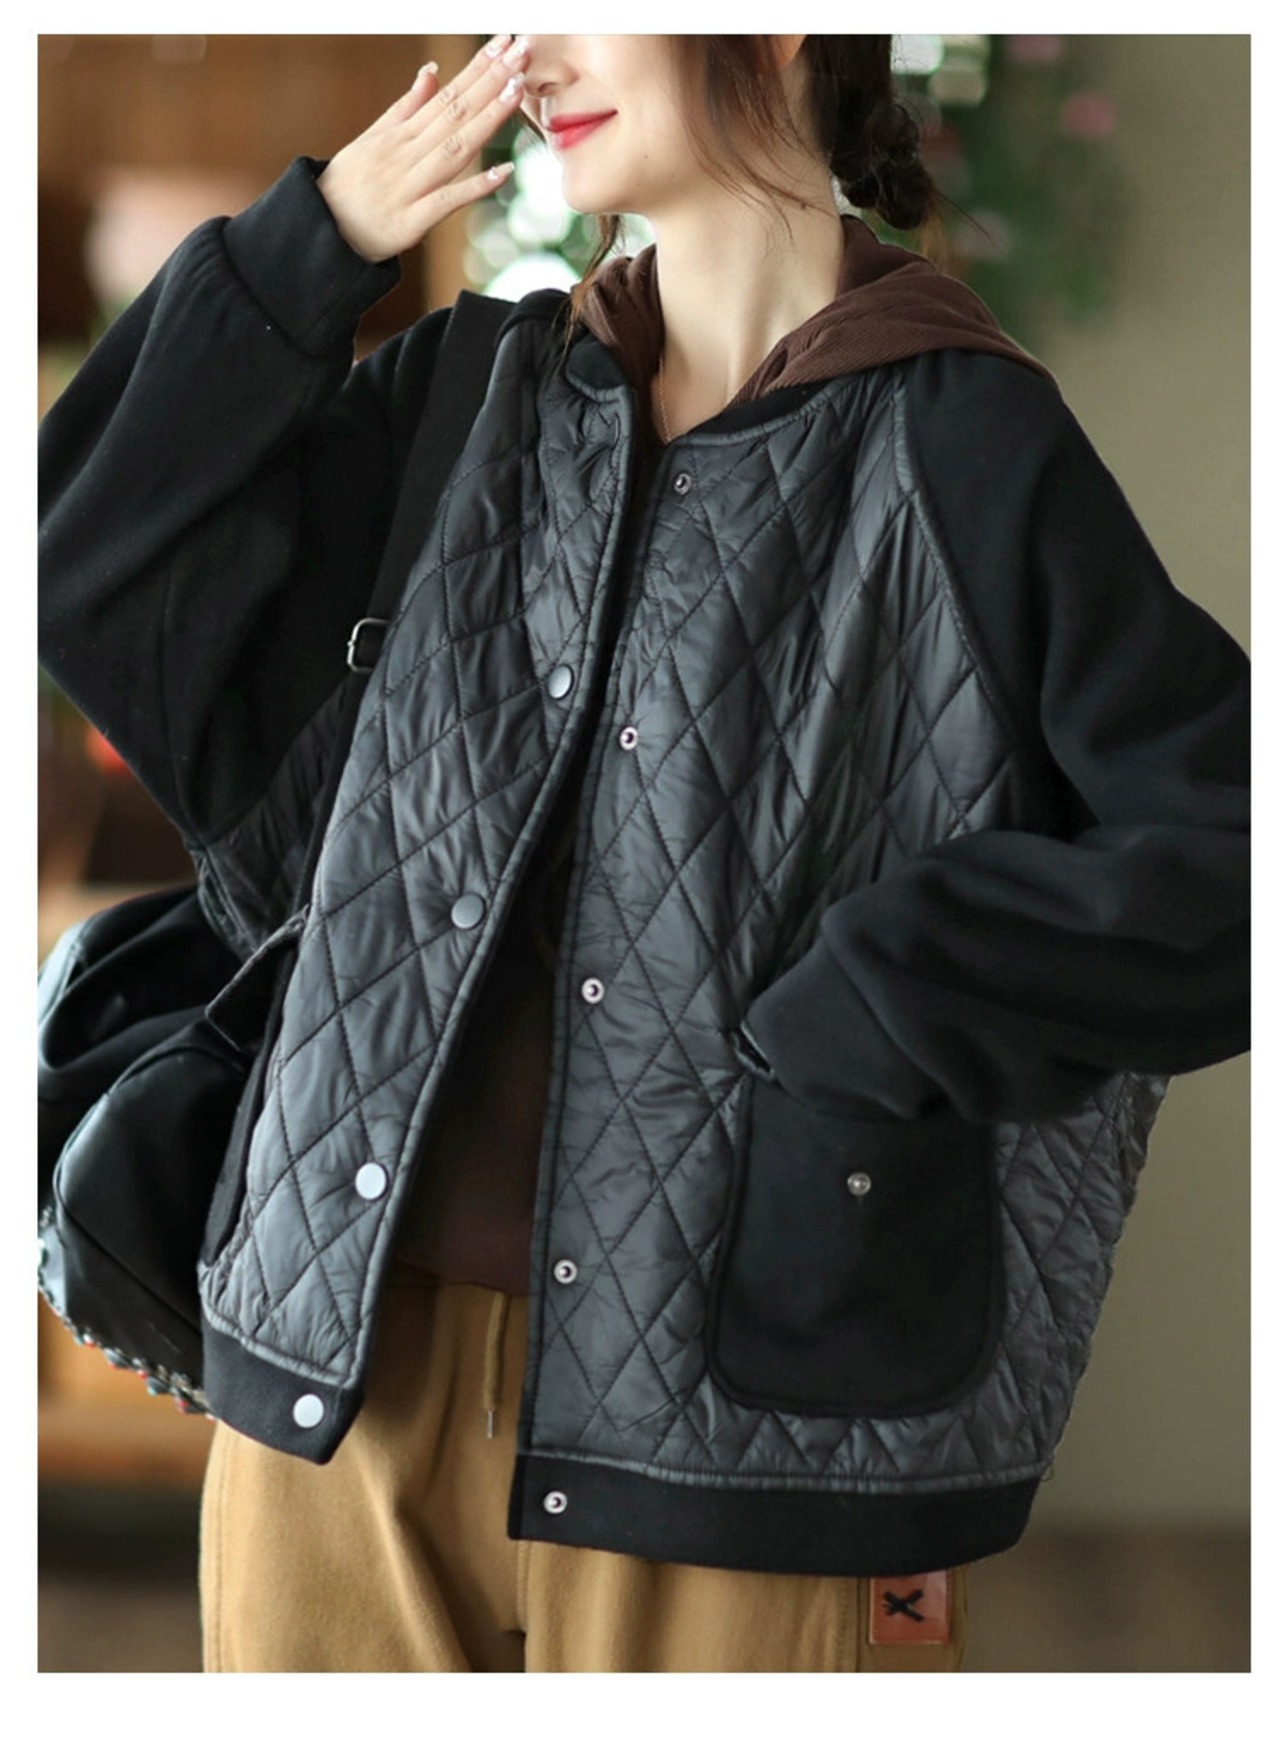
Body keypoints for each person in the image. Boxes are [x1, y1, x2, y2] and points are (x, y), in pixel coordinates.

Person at [38, 34, 1249, 1674]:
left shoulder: (968, 442)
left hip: (746, 1447)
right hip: (337, 1409)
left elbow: (1225, 852)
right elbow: (89, 576)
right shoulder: (472, 395)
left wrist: (881, 1005)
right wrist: (307, 250)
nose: (535, 55)